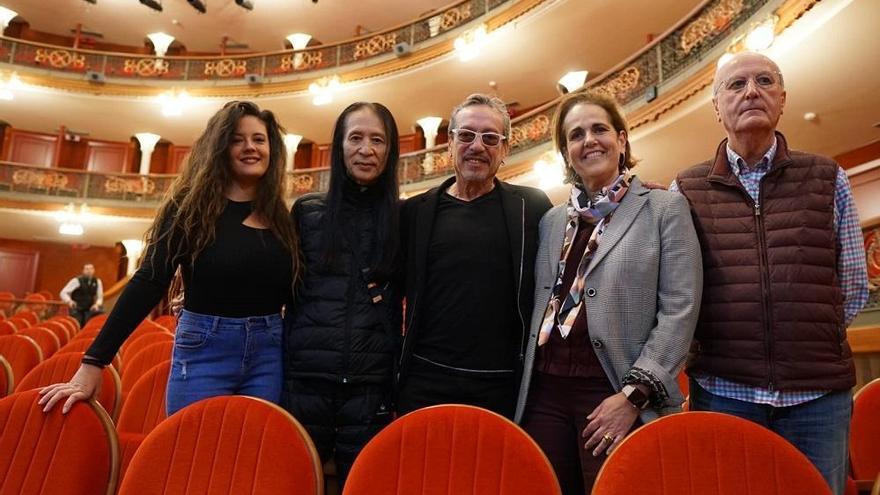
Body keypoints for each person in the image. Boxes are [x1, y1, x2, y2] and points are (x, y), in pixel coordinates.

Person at [672, 51, 868, 495]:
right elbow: (680, 290)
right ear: (716, 107)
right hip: (724, 393)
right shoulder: (685, 188)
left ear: (782, 98)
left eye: (764, 81)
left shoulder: (827, 176)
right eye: (735, 85)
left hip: (816, 397)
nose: (751, 91)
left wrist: (810, 335)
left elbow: (854, 283)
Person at [38, 101, 299, 416]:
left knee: (249, 455)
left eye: (259, 139)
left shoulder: (282, 218)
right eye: (236, 139)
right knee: (190, 454)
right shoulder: (188, 209)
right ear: (219, 147)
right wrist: (94, 361)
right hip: (204, 349)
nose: (250, 147)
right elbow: (149, 280)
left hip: (268, 353)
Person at [514, 91, 702, 493]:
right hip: (544, 396)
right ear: (567, 154)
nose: (590, 140)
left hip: (614, 393)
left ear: (621, 138)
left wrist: (633, 396)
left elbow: (680, 310)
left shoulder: (664, 208)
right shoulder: (551, 221)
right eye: (576, 134)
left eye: (599, 129)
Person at [397, 93, 552, 419]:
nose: (477, 146)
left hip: (501, 383)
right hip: (425, 377)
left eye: (490, 137)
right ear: (450, 145)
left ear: (505, 149)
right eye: (466, 135)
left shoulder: (533, 208)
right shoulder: (414, 212)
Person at [282, 102, 401, 486]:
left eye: (377, 140)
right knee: (297, 482)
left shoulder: (405, 218)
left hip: (371, 387)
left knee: (364, 485)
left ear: (390, 151)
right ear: (339, 146)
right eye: (356, 138)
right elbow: (276, 286)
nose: (366, 149)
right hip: (306, 379)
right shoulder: (307, 211)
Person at [60, 263, 104, 327]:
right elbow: (63, 293)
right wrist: (69, 301)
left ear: (94, 270)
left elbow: (100, 297)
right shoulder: (76, 280)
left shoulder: (97, 281)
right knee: (77, 326)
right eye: (87, 269)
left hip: (90, 310)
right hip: (77, 309)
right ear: (83, 271)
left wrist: (97, 304)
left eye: (91, 269)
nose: (89, 271)